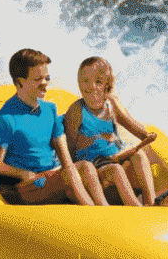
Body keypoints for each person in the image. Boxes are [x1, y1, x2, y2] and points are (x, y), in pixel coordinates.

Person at [0, 48, 108, 207]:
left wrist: (61, 172)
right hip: (24, 187)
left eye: (47, 78)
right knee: (71, 174)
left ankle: (105, 210)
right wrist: (25, 173)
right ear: (20, 82)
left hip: (49, 178)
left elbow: (65, 156)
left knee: (85, 167)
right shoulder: (6, 119)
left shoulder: (50, 109)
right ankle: (98, 215)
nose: (44, 84)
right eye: (37, 79)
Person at [64, 57, 160, 207]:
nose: (91, 86)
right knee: (115, 170)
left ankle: (152, 202)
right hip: (95, 170)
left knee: (139, 156)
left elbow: (133, 126)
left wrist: (147, 136)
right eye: (85, 81)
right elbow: (69, 151)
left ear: (107, 86)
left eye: (98, 81)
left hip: (116, 159)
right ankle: (136, 209)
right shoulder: (77, 111)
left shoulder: (112, 104)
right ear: (79, 83)